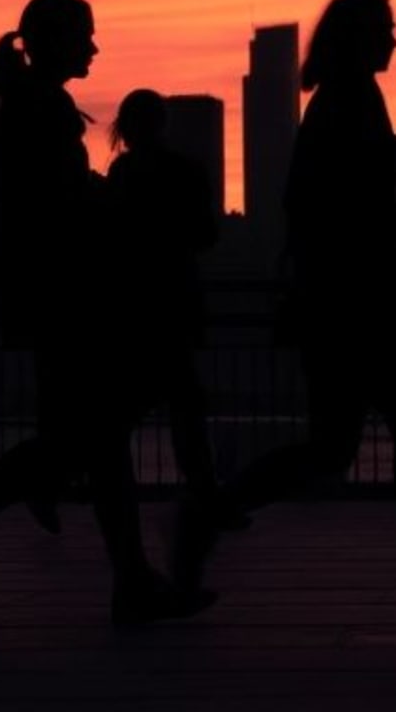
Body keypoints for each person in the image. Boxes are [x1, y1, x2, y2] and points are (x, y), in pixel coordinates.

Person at [173, 0, 396, 631]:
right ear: (362, 38)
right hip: (369, 304)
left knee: (339, 447)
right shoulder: (353, 101)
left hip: (345, 303)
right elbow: (347, 208)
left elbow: (317, 205)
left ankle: (212, 511)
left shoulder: (336, 101)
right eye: (388, 28)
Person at [0, 0, 212, 626]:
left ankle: (124, 579)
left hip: (52, 292)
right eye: (86, 36)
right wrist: (125, 215)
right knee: (94, 437)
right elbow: (60, 205)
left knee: (93, 442)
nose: (95, 48)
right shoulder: (40, 110)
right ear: (56, 41)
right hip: (65, 295)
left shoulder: (32, 107)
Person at [101, 89, 239, 524]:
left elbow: (112, 239)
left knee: (140, 405)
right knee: (184, 406)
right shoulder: (183, 171)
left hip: (132, 307)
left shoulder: (121, 173)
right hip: (174, 302)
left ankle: (82, 472)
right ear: (162, 124)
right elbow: (206, 235)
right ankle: (205, 495)